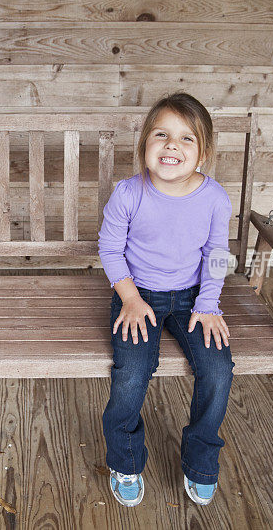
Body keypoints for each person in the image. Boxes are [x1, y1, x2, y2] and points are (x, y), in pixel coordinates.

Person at [98, 92, 235, 507]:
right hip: (138, 296)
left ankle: (201, 461)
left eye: (185, 138)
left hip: (194, 297)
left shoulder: (213, 198)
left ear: (203, 154)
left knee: (218, 370)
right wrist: (130, 297)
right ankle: (125, 459)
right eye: (161, 135)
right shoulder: (129, 193)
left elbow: (215, 256)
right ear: (144, 146)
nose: (171, 145)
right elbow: (109, 249)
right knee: (131, 374)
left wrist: (208, 304)